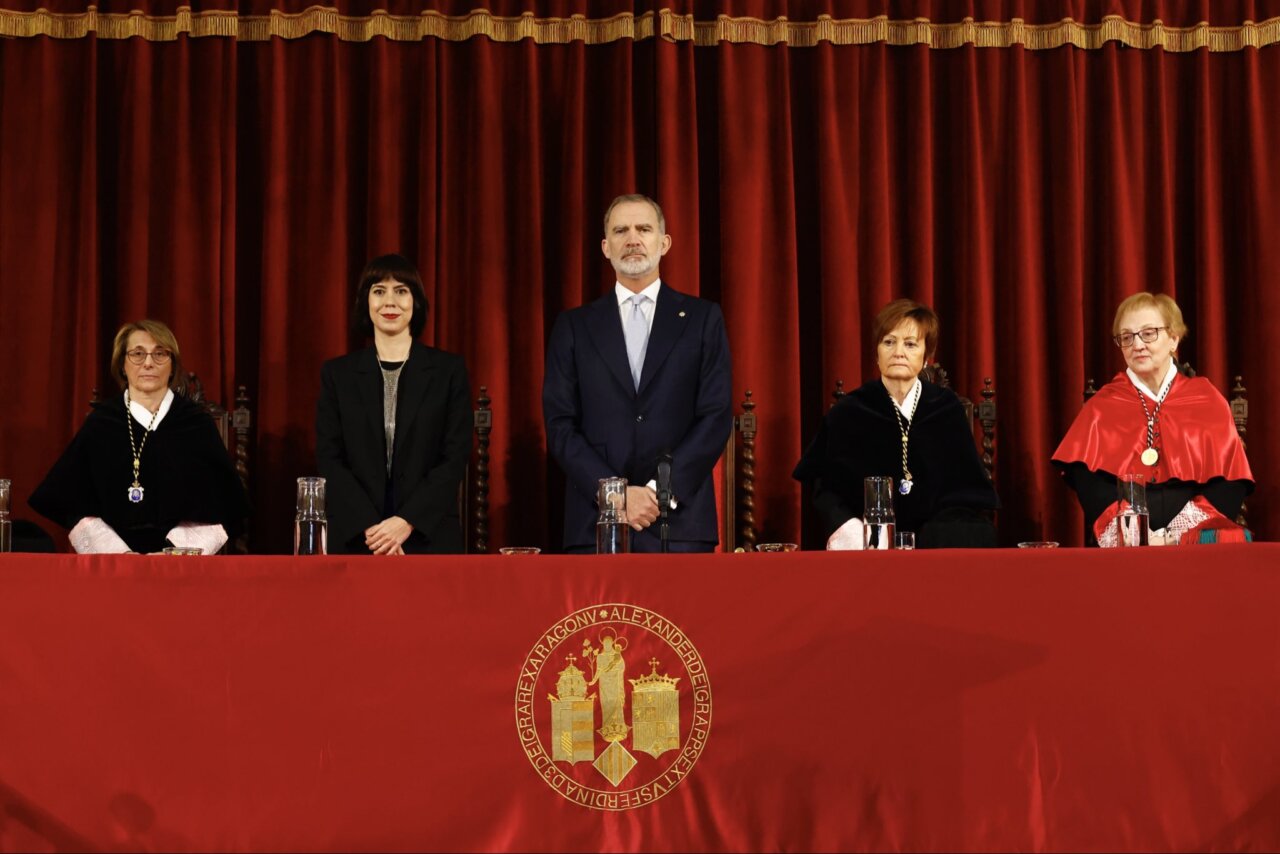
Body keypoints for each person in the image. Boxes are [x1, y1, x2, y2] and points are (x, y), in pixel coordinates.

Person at [543, 194, 733, 553]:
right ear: (605, 247)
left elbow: (715, 415)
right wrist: (614, 494)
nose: (632, 239)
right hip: (595, 522)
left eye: (644, 229)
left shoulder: (702, 319)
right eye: (621, 230)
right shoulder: (574, 326)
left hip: (678, 525)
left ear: (664, 243)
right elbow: (560, 423)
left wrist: (659, 491)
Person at [793, 299, 999, 549]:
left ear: (925, 357)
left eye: (910, 344)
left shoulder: (945, 407)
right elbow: (824, 487)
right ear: (877, 353)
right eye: (889, 342)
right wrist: (849, 526)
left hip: (935, 543)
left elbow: (966, 490)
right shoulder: (850, 411)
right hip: (867, 543)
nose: (898, 352)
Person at [30, 320, 249, 553]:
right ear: (122, 364)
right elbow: (72, 503)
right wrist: (119, 554)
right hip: (113, 561)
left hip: (181, 562)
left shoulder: (196, 424)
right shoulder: (101, 424)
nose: (148, 363)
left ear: (173, 365)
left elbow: (224, 504)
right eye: (137, 353)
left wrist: (172, 553)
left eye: (160, 354)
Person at [1053, 292, 1253, 546]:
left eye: (1148, 333)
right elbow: (1088, 481)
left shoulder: (1207, 399)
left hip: (1195, 548)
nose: (1137, 345)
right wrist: (1132, 533)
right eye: (1127, 337)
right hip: (1124, 547)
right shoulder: (1102, 406)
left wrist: (1178, 535)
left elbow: (1230, 481)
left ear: (1173, 338)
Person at [316, 254, 471, 555]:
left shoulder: (448, 371)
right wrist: (374, 530)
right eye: (379, 291)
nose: (390, 302)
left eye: (401, 291)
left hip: (428, 536)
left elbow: (454, 458)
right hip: (358, 538)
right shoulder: (338, 375)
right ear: (366, 301)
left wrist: (405, 522)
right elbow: (329, 457)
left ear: (416, 301)